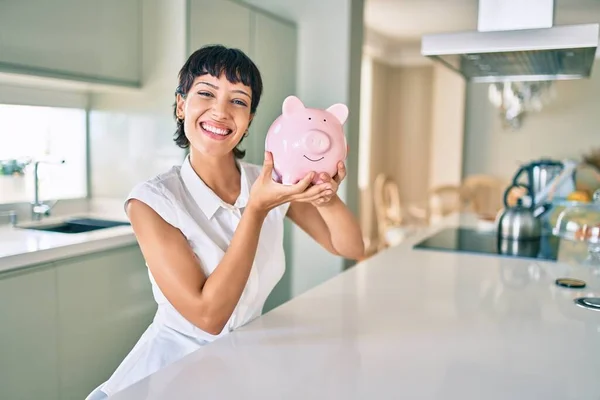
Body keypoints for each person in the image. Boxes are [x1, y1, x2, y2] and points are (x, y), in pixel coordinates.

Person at [86, 44, 364, 399]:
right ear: (181, 104)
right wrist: (257, 210)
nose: (220, 112)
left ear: (249, 121)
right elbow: (208, 317)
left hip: (243, 364)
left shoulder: (270, 181)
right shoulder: (152, 201)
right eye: (205, 93)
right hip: (171, 372)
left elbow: (351, 246)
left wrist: (326, 194)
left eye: (238, 101)